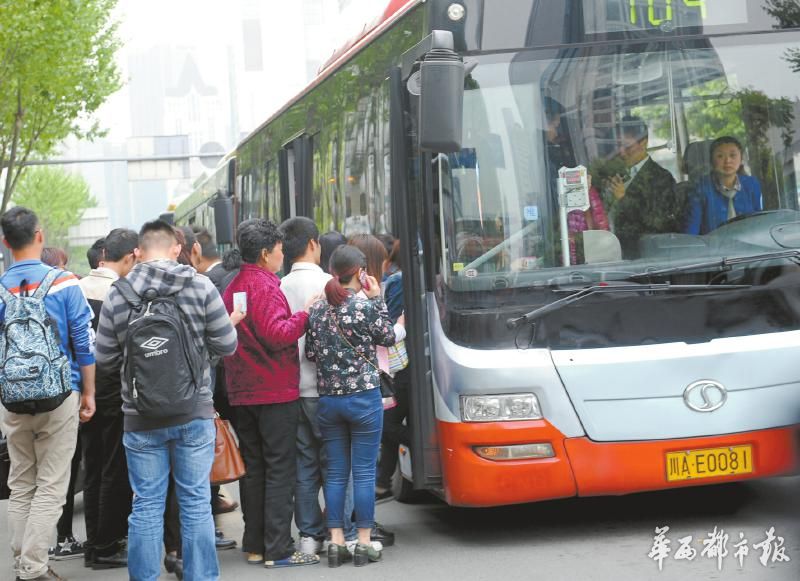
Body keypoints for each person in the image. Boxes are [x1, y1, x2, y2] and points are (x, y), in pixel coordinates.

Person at [95, 219, 238, 581]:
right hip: (193, 412)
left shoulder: (120, 292)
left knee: (145, 506)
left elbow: (106, 359)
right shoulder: (200, 285)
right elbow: (227, 344)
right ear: (176, 248)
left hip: (140, 417)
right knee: (194, 505)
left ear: (139, 252)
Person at [0, 206, 96, 581]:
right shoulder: (65, 283)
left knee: (21, 482)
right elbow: (83, 343)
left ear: (6, 243)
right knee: (51, 487)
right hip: (59, 394)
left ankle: (23, 561)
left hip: (12, 399)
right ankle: (34, 568)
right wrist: (88, 392)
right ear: (39, 235)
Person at [222, 218, 319, 568]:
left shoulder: (234, 285)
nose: (283, 255)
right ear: (266, 253)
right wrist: (305, 314)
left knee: (255, 468)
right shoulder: (265, 285)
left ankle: (256, 543)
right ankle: (277, 548)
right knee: (280, 468)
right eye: (279, 250)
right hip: (274, 390)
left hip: (242, 390)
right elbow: (276, 334)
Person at [305, 245, 396, 567]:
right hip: (364, 400)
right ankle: (364, 541)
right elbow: (387, 337)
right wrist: (377, 298)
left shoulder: (317, 310)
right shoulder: (363, 306)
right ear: (361, 272)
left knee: (336, 473)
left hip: (329, 401)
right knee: (364, 472)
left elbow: (311, 355)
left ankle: (336, 542)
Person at [80, 228, 138, 570]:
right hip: (113, 391)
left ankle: (92, 542)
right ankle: (107, 545)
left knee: (92, 468)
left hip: (83, 392)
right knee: (114, 469)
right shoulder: (121, 292)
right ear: (129, 256)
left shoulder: (75, 287)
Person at [278, 217, 331, 557]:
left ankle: (309, 536)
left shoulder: (278, 286)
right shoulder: (330, 283)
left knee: (304, 466)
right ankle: (342, 529)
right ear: (313, 243)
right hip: (329, 390)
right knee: (337, 463)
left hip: (293, 389)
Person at [605, 116, 680, 258]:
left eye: (627, 146)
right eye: (617, 146)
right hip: (609, 249)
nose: (621, 152)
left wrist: (623, 199)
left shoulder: (661, 178)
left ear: (643, 143)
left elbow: (657, 224)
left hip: (643, 257)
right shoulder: (615, 173)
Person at [685, 136, 763, 235]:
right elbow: (691, 231)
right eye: (720, 156)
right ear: (711, 160)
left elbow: (760, 221)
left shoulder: (752, 184)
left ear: (741, 158)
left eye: (733, 155)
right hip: (713, 248)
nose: (727, 161)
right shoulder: (700, 189)